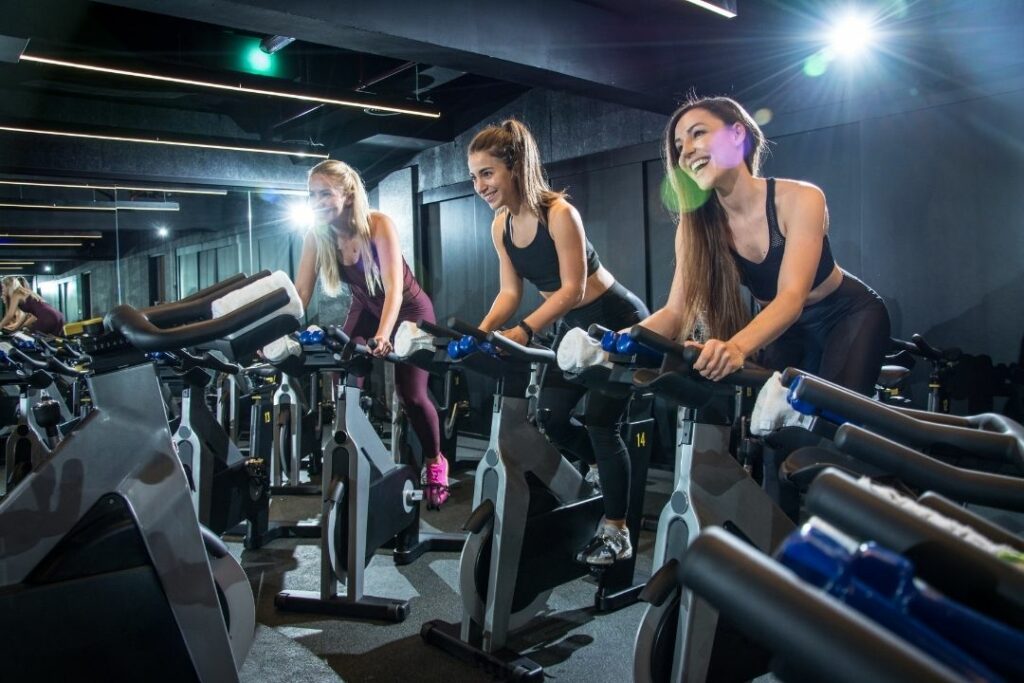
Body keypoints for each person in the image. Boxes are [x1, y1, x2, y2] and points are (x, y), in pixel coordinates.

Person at [468, 119, 650, 566]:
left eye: (487, 173)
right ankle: (602, 479)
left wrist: (525, 330)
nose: (479, 185)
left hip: (614, 320)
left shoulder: (559, 213)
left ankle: (617, 531)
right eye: (474, 176)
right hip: (570, 325)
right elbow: (509, 293)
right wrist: (481, 331)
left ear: (514, 167)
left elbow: (571, 288)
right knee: (549, 416)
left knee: (602, 424)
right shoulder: (501, 226)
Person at [638, 95, 890, 395]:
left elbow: (791, 298)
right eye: (679, 147)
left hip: (847, 314)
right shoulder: (695, 230)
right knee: (774, 435)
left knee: (830, 424)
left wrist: (735, 347)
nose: (687, 152)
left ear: (736, 134)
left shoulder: (800, 198)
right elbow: (675, 313)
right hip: (784, 329)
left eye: (698, 133)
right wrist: (610, 344)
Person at [294, 159, 450, 508]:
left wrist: (384, 335)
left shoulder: (377, 224)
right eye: (311, 195)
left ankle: (434, 461)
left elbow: (394, 288)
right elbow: (300, 294)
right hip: (365, 307)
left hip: (410, 310)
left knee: (410, 394)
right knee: (343, 373)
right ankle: (361, 454)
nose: (316, 202)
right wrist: (279, 332)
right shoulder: (316, 236)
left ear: (347, 194)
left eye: (324, 194)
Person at [0, 276, 65, 335]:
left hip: (48, 317)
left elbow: (9, 315)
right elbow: (27, 315)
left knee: (30, 339)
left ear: (8, 286)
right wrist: (16, 328)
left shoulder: (16, 294)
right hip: (58, 316)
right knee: (51, 343)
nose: (2, 289)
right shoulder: (27, 292)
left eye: (3, 287)